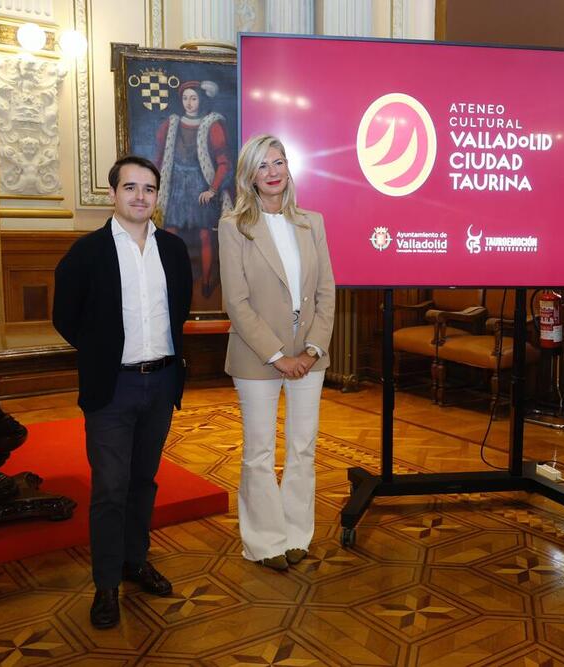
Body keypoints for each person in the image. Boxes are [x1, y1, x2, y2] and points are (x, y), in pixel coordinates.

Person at [53, 155, 193, 629]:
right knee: (110, 489)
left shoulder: (173, 250)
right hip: (113, 386)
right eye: (130, 187)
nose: (140, 196)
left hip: (161, 383)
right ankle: (106, 584)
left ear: (157, 196)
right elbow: (65, 317)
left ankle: (136, 561)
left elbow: (180, 309)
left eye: (149, 189)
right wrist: (100, 351)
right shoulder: (87, 252)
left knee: (143, 482)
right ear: (112, 194)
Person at [219, 134, 335, 571]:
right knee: (260, 451)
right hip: (256, 358)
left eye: (280, 162)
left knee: (303, 448)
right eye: (263, 164)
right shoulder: (234, 226)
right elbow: (237, 302)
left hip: (310, 356)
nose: (273, 172)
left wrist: (311, 349)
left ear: (289, 168)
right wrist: (277, 355)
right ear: (249, 174)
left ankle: (296, 534)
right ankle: (265, 541)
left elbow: (327, 291)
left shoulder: (312, 222)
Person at [155, 80, 232, 298]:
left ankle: (207, 282)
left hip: (201, 185)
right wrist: (156, 187)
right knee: (169, 234)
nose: (189, 103)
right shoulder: (170, 125)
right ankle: (171, 283)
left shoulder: (212, 124)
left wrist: (213, 189)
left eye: (194, 98)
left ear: (201, 99)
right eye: (185, 98)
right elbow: (160, 158)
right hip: (175, 185)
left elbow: (224, 163)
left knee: (206, 235)